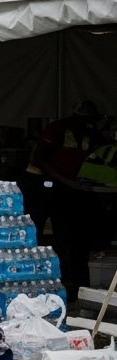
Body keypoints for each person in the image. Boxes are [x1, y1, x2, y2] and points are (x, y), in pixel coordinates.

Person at [21, 99, 103, 302]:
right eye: (85, 119)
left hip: (64, 186)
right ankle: (30, 275)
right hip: (40, 183)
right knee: (35, 229)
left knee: (65, 232)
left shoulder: (87, 134)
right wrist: (65, 180)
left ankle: (66, 279)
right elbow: (39, 158)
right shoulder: (58, 129)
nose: (88, 123)